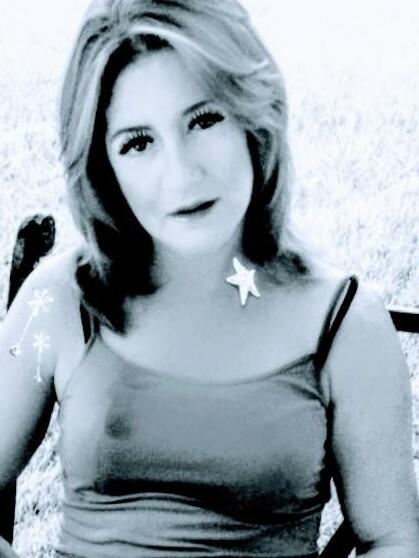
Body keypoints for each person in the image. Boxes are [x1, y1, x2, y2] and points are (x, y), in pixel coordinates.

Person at [0, 0, 418, 556]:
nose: (181, 173)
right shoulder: (59, 302)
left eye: (204, 120)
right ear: (104, 165)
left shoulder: (345, 327)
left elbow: (393, 539)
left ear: (253, 116)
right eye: (138, 143)